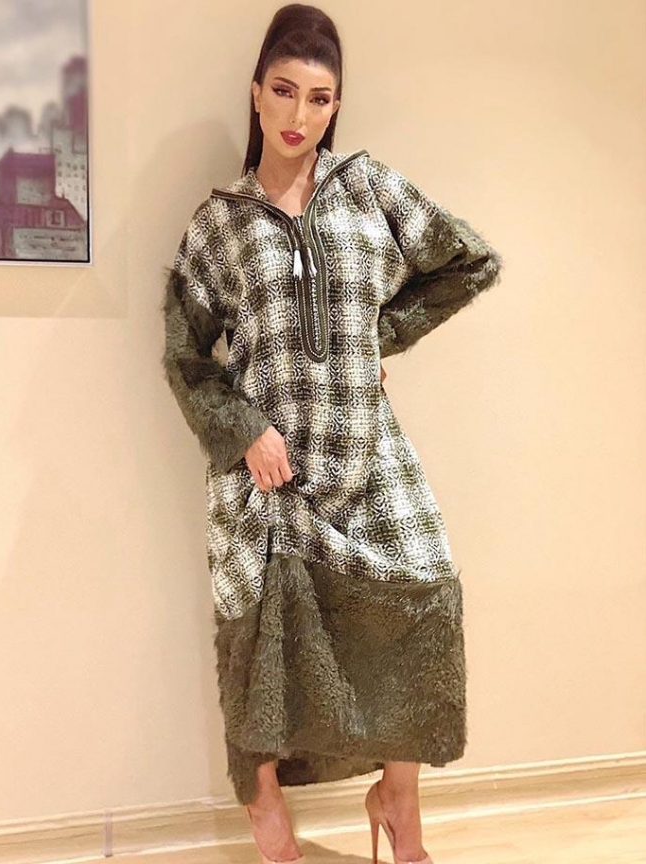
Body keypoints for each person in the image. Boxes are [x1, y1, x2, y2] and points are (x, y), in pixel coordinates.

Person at [161, 5, 504, 863]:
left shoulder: (369, 189)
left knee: (426, 594)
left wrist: (375, 337)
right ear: (255, 93)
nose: (299, 114)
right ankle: (266, 809)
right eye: (283, 91)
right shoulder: (220, 224)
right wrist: (244, 430)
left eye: (319, 99)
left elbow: (469, 261)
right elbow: (185, 355)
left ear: (335, 106)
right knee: (260, 640)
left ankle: (397, 797)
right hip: (270, 472)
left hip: (365, 452)